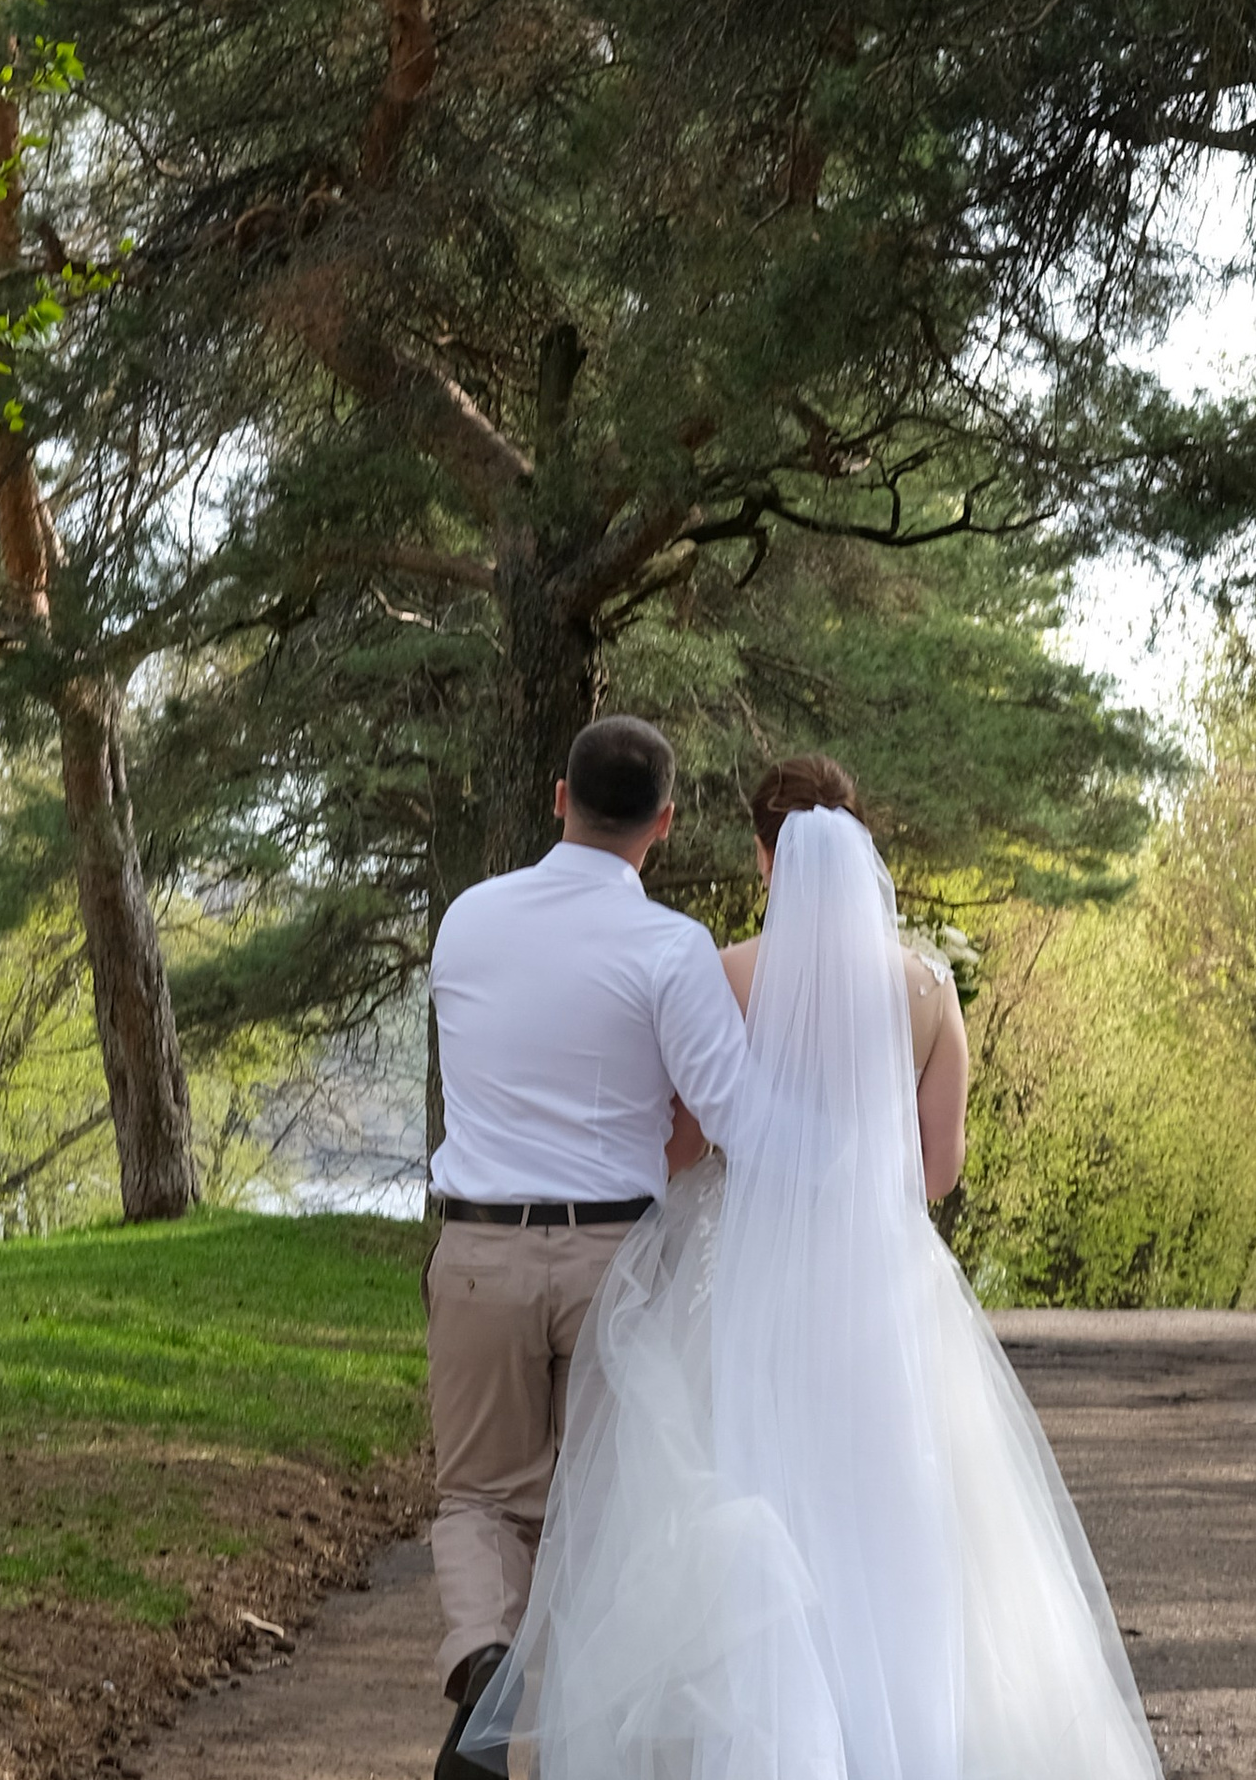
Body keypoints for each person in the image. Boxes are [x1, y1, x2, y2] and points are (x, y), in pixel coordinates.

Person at [462, 757, 1163, 1780]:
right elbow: (937, 1171)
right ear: (865, 845)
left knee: (753, 1495)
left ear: (764, 853)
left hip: (747, 1286)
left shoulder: (729, 972)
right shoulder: (927, 988)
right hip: (887, 1295)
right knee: (905, 1522)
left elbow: (689, 1142)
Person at [423, 715, 751, 1780]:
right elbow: (735, 1115)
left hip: (479, 1249)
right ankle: (581, 1737)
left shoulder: (468, 921)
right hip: (617, 1259)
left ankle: (483, 1660)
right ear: (663, 823)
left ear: (557, 798)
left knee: (482, 1495)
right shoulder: (668, 946)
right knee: (608, 1505)